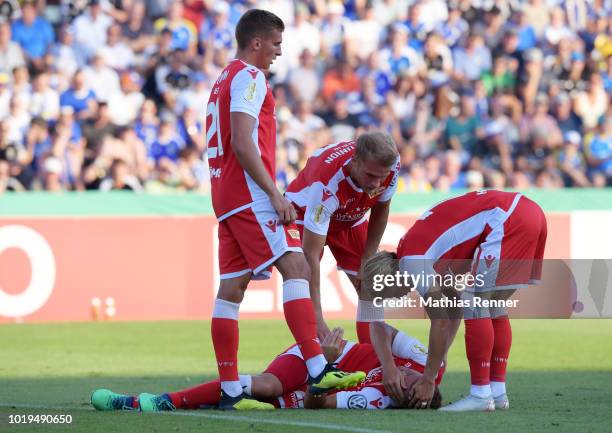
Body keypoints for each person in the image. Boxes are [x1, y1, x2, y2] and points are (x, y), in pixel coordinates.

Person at [205, 9, 364, 410]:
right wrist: (274, 193)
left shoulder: (222, 78)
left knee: (231, 291)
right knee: (297, 266)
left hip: (224, 194)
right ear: (256, 42)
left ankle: (229, 389)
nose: (279, 51)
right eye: (275, 43)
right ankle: (316, 368)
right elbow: (243, 142)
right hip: (248, 193)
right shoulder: (249, 76)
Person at [363, 190, 547, 411]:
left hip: (507, 216)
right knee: (492, 305)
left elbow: (440, 320)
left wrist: (429, 379)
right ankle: (497, 392)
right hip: (527, 210)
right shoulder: (417, 252)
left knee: (477, 303)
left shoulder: (412, 262)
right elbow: (453, 309)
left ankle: (480, 394)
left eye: (386, 294)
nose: (396, 298)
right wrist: (440, 359)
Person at [90, 327, 444, 411]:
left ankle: (226, 397)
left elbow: (317, 403)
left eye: (405, 394)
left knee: (269, 396)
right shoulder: (424, 357)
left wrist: (331, 371)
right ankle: (158, 401)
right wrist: (329, 358)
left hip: (317, 384)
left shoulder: (378, 399)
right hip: (316, 354)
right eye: (414, 382)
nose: (403, 383)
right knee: (272, 385)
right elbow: (377, 327)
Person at [284, 132, 400, 343]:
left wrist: (368, 259)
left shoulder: (391, 166)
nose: (376, 183)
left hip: (348, 216)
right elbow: (311, 254)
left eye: (380, 176)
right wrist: (317, 314)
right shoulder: (326, 185)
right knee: (301, 282)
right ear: (355, 161)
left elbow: (382, 209)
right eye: (371, 175)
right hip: (302, 212)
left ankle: (370, 360)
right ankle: (313, 357)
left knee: (371, 288)